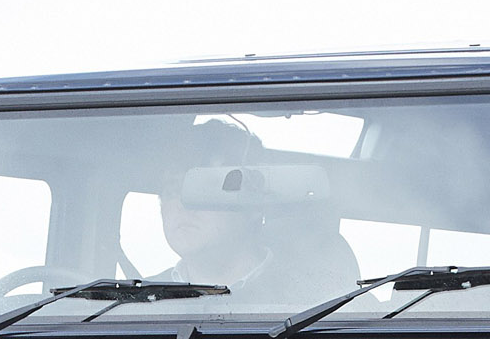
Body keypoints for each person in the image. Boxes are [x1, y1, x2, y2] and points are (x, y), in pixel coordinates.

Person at [148, 119, 359, 307]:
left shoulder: (322, 301)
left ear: (255, 206)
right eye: (172, 191)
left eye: (204, 189)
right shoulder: (136, 304)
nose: (184, 204)